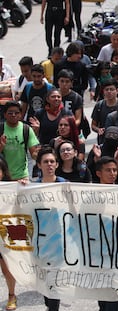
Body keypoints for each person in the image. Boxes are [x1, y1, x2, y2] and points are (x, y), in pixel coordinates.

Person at [35, 146, 66, 311]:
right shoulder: (31, 187)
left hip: (59, 242)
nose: (49, 164)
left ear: (57, 164)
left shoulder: (65, 185)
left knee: (55, 282)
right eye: (45, 162)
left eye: (52, 161)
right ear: (39, 165)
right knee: (44, 280)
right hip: (39, 242)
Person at [94, 156, 118, 310]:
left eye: (115, 170)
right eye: (108, 170)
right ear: (98, 173)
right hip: (96, 253)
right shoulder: (88, 194)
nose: (112, 174)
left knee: (113, 296)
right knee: (102, 297)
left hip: (117, 254)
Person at [0, 101, 39, 181]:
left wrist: (40, 153)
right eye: (10, 113)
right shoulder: (0, 129)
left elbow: (34, 154)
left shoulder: (27, 129)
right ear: (4, 114)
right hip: (3, 177)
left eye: (16, 113)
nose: (13, 115)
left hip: (22, 177)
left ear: (21, 114)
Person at [0, 158, 17, 310]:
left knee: (7, 270)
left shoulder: (13, 188)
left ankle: (11, 295)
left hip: (5, 235)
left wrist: (24, 187)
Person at [91, 78, 118, 144]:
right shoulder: (99, 105)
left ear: (117, 90)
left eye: (111, 89)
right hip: (103, 141)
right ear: (103, 91)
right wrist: (98, 130)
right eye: (107, 90)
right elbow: (93, 125)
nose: (109, 92)